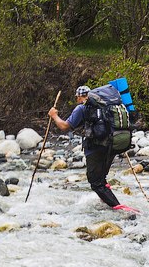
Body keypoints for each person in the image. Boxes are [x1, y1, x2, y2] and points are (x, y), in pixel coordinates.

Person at [48, 86, 138, 214]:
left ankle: (120, 208)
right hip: (112, 145)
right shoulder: (106, 106)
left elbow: (64, 126)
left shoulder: (82, 108)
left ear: (79, 97)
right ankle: (107, 201)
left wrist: (54, 115)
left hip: (96, 148)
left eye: (77, 97)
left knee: (95, 183)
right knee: (102, 177)